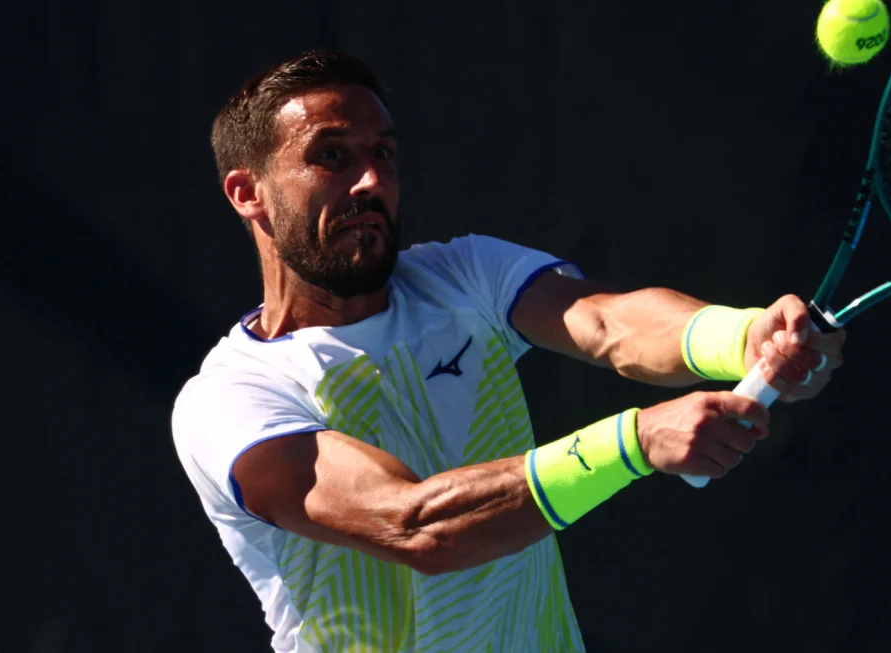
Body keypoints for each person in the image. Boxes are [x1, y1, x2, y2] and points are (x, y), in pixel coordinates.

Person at [171, 49, 847, 653]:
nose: (371, 180)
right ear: (247, 192)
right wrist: (633, 440)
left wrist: (744, 337)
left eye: (383, 152)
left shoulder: (464, 273)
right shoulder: (230, 401)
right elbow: (415, 524)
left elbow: (611, 322)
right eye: (333, 155)